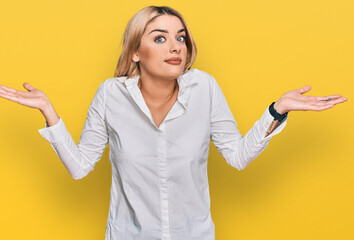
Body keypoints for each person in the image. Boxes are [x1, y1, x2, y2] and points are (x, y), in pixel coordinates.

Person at [0, 5, 347, 240]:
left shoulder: (205, 88)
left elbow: (238, 156)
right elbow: (79, 168)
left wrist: (277, 109)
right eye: (160, 37)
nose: (175, 47)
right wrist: (48, 110)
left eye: (180, 37)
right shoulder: (110, 95)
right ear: (136, 51)